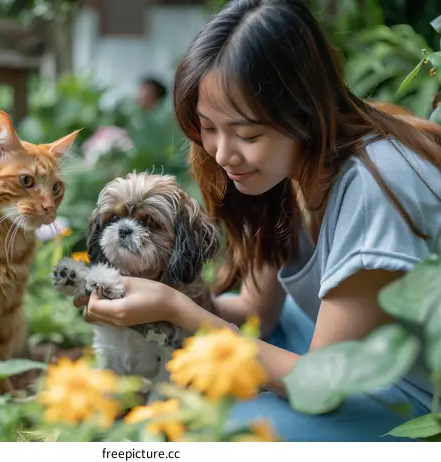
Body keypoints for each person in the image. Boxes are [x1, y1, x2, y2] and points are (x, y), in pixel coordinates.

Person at [74, 0, 441, 442]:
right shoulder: (286, 169)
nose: (223, 154)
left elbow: (320, 385)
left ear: (304, 112)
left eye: (247, 134)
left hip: (412, 396)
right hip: (342, 351)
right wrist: (152, 302)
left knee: (197, 431)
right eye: (207, 127)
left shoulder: (374, 186)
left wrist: (175, 309)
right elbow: (255, 313)